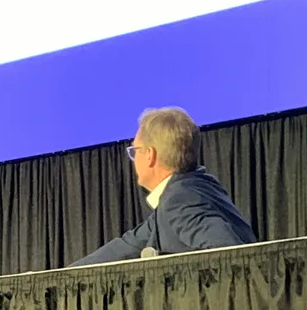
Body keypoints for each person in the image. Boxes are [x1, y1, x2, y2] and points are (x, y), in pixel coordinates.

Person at [72, 107, 256, 266]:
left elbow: (231, 254)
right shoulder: (190, 189)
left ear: (149, 155)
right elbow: (129, 245)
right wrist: (58, 276)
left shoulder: (180, 201)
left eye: (134, 151)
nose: (133, 161)